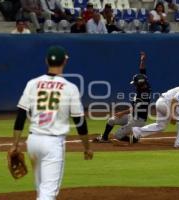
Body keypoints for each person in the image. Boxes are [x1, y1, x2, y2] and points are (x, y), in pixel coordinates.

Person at [9, 45, 93, 200]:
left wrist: (15, 144)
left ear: (46, 61)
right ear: (65, 62)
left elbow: (20, 116)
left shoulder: (33, 83)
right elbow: (80, 122)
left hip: (33, 141)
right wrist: (87, 147)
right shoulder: (70, 88)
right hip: (53, 144)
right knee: (48, 193)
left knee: (41, 189)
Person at [132, 76, 179, 148]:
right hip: (165, 103)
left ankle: (138, 131)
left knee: (161, 126)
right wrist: (172, 115)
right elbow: (174, 101)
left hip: (162, 103)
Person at [94, 52, 151, 143]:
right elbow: (142, 71)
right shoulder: (145, 84)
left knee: (117, 135)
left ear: (140, 84)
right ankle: (104, 138)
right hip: (132, 116)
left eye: (135, 84)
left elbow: (134, 109)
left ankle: (134, 139)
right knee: (111, 120)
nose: (134, 85)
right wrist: (142, 60)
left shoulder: (143, 95)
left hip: (138, 121)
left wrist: (122, 112)